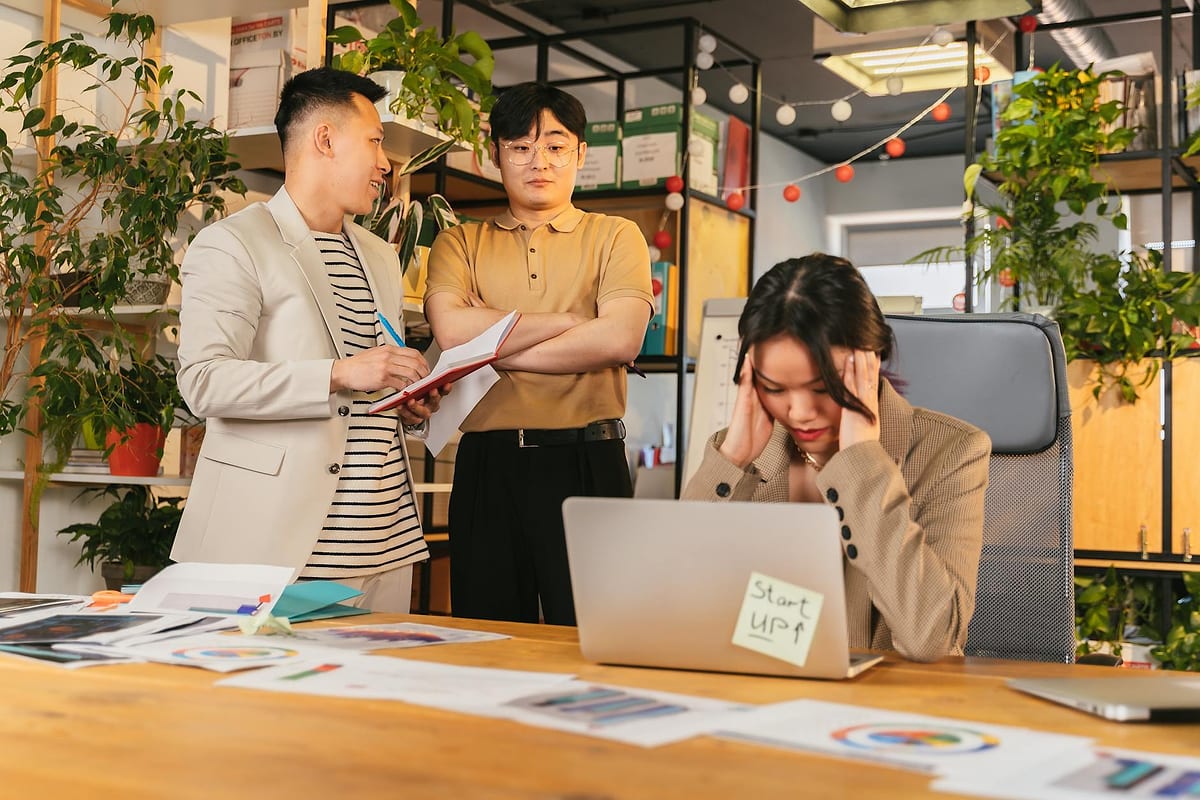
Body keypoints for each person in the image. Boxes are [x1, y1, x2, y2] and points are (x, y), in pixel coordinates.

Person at [171, 67, 445, 612]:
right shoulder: (231, 244)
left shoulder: (380, 256)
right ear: (325, 138)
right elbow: (203, 383)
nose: (385, 162)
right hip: (282, 545)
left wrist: (408, 402)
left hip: (385, 544)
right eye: (374, 141)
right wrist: (341, 373)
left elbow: (371, 387)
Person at [682, 253, 990, 662]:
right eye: (775, 388)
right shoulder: (737, 455)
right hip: (760, 693)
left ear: (870, 361)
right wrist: (732, 457)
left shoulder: (950, 453)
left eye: (822, 387)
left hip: (883, 709)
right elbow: (674, 601)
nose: (799, 411)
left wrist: (862, 463)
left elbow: (930, 639)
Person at [424, 82, 653, 626]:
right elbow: (452, 331)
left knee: (599, 633)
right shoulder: (460, 243)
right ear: (493, 155)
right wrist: (571, 325)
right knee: (487, 636)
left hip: (588, 460)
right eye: (520, 147)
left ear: (579, 154)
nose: (538, 162)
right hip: (486, 465)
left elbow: (619, 340)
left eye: (554, 146)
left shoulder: (617, 236)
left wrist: (490, 347)